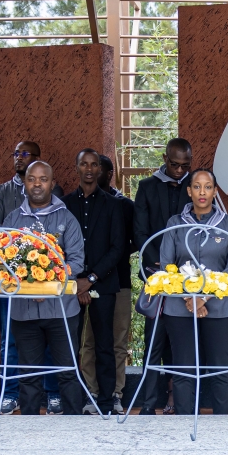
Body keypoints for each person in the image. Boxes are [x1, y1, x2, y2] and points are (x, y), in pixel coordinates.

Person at [0, 141, 64, 414]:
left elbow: (61, 236)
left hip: (47, 280)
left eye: (25, 154)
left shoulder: (54, 194)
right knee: (11, 338)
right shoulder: (2, 192)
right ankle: (11, 392)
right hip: (10, 279)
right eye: (16, 153)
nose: (19, 157)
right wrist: (17, 250)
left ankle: (53, 394)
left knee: (51, 337)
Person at [1, 161, 87, 415]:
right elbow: (3, 262)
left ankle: (75, 428)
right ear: (25, 183)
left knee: (67, 372)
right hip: (23, 311)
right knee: (28, 375)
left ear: (52, 182)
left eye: (43, 179)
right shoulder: (13, 219)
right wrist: (30, 286)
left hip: (61, 310)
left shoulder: (66, 217)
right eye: (31, 179)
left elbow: (76, 261)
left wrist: (45, 285)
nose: (37, 184)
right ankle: (29, 430)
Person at [158, 169, 228, 415]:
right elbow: (167, 265)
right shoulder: (175, 223)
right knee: (184, 368)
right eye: (197, 186)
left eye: (208, 187)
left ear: (215, 192)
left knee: (218, 368)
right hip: (179, 306)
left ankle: (220, 425)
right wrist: (190, 297)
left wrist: (203, 297)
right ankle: (185, 422)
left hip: (219, 307)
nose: (202, 192)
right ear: (189, 191)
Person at [133, 137, 193, 414]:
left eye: (185, 165)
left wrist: (181, 266)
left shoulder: (194, 187)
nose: (179, 171)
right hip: (155, 271)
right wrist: (158, 263)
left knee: (179, 339)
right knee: (153, 339)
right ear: (165, 158)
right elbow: (140, 231)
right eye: (174, 164)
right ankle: (148, 403)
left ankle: (174, 399)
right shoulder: (147, 187)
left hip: (187, 272)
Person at [63, 149, 124, 415]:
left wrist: (90, 279)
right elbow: (58, 247)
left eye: (94, 164)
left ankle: (106, 402)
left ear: (100, 169)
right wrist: (75, 282)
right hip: (69, 286)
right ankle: (75, 400)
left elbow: (118, 247)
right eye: (83, 164)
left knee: (104, 344)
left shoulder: (113, 205)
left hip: (103, 283)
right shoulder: (63, 205)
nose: (89, 169)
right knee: (70, 344)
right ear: (76, 168)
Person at [79, 153, 135, 414]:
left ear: (108, 173)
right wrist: (84, 279)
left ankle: (115, 393)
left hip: (117, 282)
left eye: (99, 168)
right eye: (86, 165)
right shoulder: (72, 204)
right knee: (87, 341)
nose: (93, 172)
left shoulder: (122, 205)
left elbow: (129, 243)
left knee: (116, 341)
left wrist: (98, 273)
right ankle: (91, 391)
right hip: (80, 285)